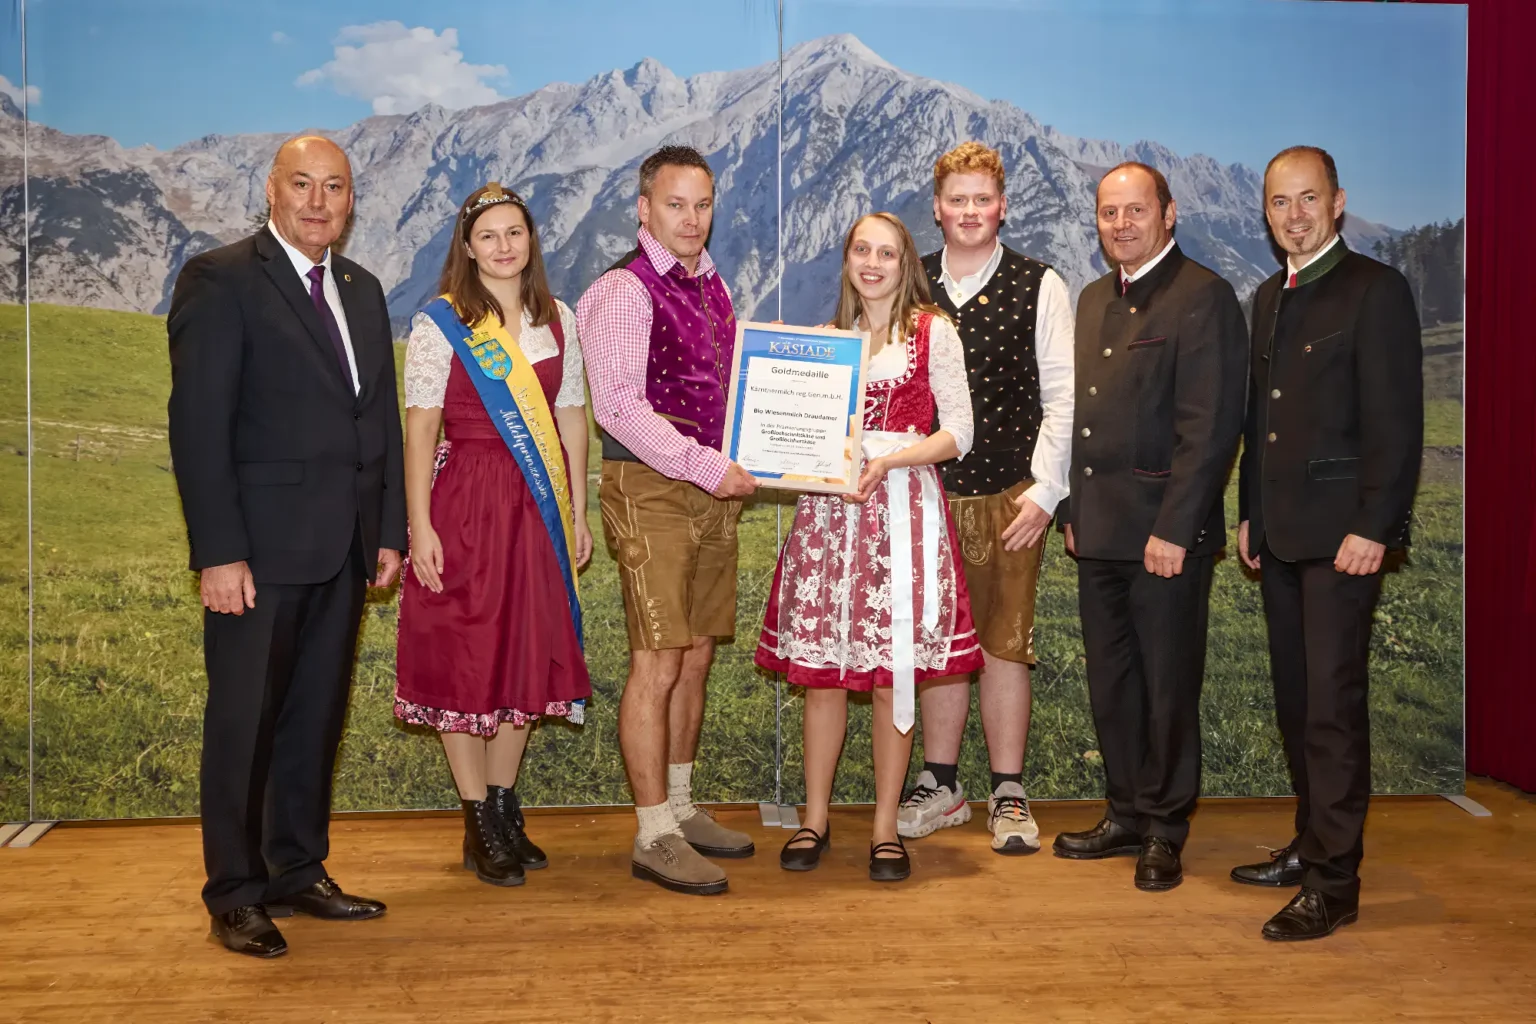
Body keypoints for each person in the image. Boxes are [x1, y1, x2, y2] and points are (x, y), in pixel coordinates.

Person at [167, 136, 405, 958]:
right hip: (258, 554)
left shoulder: (363, 290)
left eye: (333, 187)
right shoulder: (222, 279)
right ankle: (234, 891)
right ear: (270, 190)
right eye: (301, 184)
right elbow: (198, 428)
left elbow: (376, 420)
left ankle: (295, 869)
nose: (317, 200)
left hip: (344, 547)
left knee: (313, 719)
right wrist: (218, 552)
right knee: (244, 724)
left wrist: (389, 533)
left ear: (350, 200)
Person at [757, 212, 984, 883]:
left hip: (903, 512)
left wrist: (892, 459)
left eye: (887, 252)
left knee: (894, 675)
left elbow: (960, 432)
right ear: (848, 258)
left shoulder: (931, 333)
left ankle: (886, 824)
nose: (874, 263)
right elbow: (793, 433)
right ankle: (815, 816)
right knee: (822, 678)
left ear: (905, 261)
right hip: (832, 516)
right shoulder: (827, 342)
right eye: (862, 250)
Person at [1233, 146, 1422, 941]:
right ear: (1267, 211)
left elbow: (1396, 423)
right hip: (1279, 536)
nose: (1295, 215)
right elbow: (1259, 419)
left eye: (1309, 199)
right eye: (1281, 202)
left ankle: (1335, 882)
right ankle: (1312, 845)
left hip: (1345, 539)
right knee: (1297, 702)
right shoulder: (1268, 299)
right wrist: (1247, 510)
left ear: (1338, 203)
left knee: (1333, 711)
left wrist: (1376, 526)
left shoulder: (1376, 291)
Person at [1052, 163, 1246, 892]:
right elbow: (1083, 419)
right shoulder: (1096, 296)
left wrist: (1176, 527)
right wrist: (1072, 508)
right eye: (1108, 213)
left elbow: (1211, 428)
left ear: (1169, 214)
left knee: (1167, 687)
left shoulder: (1204, 297)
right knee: (1114, 685)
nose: (1121, 224)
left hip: (1165, 539)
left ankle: (1165, 827)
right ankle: (1126, 811)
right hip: (1099, 530)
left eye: (1136, 210)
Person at [395, 183, 593, 888]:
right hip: (468, 501)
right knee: (466, 652)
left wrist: (575, 512)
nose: (505, 246)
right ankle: (476, 817)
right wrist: (418, 524)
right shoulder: (441, 323)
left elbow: (571, 420)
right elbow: (419, 426)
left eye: (516, 233)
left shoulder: (558, 318)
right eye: (490, 236)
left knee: (525, 650)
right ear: (469, 248)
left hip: (537, 507)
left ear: (530, 240)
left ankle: (506, 806)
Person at [576, 145, 758, 896]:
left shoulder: (710, 284)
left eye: (703, 204)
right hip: (650, 484)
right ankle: (653, 832)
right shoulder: (624, 290)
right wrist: (712, 467)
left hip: (705, 486)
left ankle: (680, 807)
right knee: (658, 659)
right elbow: (619, 408)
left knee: (696, 653)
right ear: (644, 208)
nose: (692, 219)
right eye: (676, 204)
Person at [901, 141, 1075, 854]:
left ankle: (1008, 790)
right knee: (940, 645)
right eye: (957, 200)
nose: (970, 211)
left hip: (1011, 494)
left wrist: (1046, 492)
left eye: (982, 199)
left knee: (1005, 646)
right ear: (937, 210)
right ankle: (941, 785)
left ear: (1002, 206)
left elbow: (1062, 398)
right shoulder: (912, 283)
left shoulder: (1041, 284)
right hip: (927, 494)